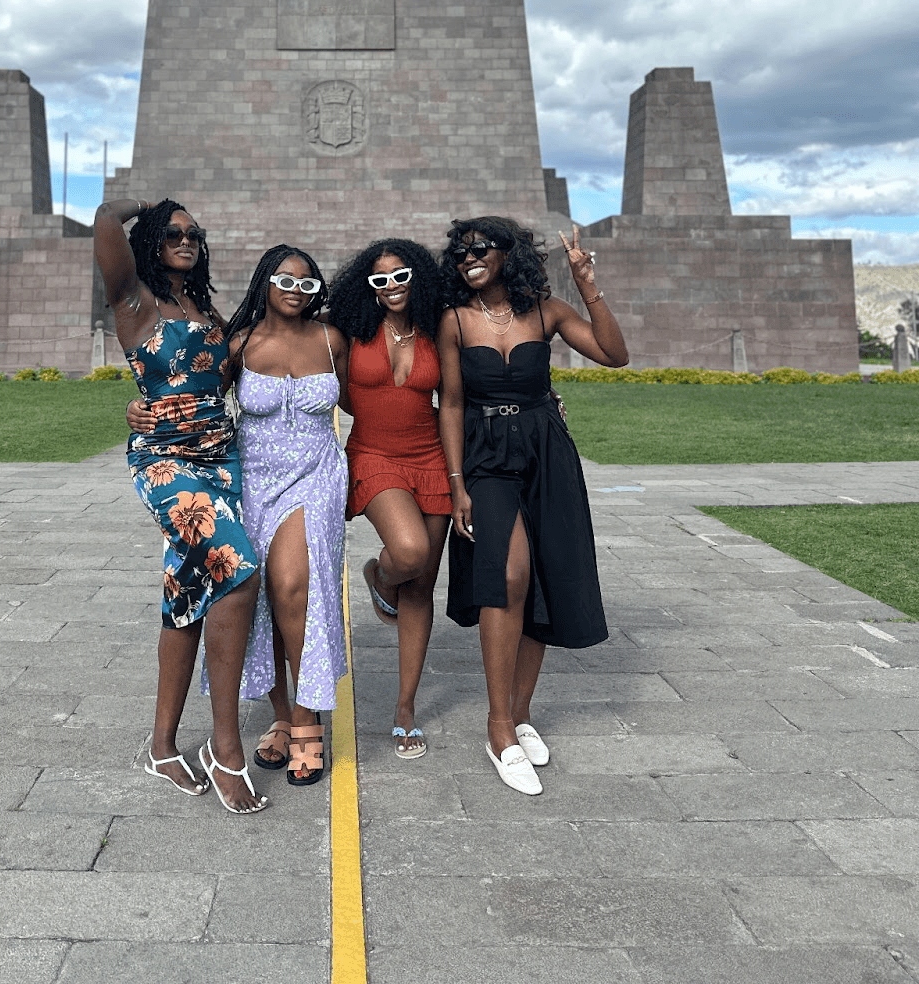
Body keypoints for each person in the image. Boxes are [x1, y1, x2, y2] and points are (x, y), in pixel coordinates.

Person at [126, 243, 350, 787]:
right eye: (285, 281)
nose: (296, 291)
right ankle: (281, 714)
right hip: (249, 474)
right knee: (264, 592)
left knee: (294, 584)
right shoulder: (240, 342)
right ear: (265, 283)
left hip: (317, 474)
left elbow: (363, 403)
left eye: (306, 283)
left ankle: (307, 717)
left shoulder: (332, 338)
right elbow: (195, 391)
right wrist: (138, 408)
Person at [437, 217, 628, 796]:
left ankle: (521, 714)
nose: (469, 257)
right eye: (460, 251)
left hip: (546, 450)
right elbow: (451, 403)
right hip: (485, 456)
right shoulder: (454, 320)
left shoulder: (547, 312)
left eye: (480, 248)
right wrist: (456, 484)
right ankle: (498, 728)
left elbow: (614, 354)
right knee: (508, 573)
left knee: (541, 573)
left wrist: (586, 284)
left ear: (508, 254)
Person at [94, 195, 268, 815]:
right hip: (166, 463)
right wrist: (148, 206)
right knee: (238, 572)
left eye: (193, 233)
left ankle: (162, 747)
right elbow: (105, 219)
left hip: (222, 459)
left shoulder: (204, 307)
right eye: (172, 232)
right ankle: (226, 747)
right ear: (151, 240)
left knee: (186, 593)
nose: (185, 240)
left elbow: (220, 378)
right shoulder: (135, 300)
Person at [327, 239, 449, 760]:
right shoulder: (350, 329)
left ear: (417, 277)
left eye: (401, 275)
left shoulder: (438, 327)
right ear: (368, 287)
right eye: (380, 279)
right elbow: (340, 393)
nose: (392, 286)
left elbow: (465, 390)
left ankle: (405, 709)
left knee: (421, 588)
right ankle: (379, 576)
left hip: (432, 457)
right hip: (374, 454)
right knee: (409, 551)